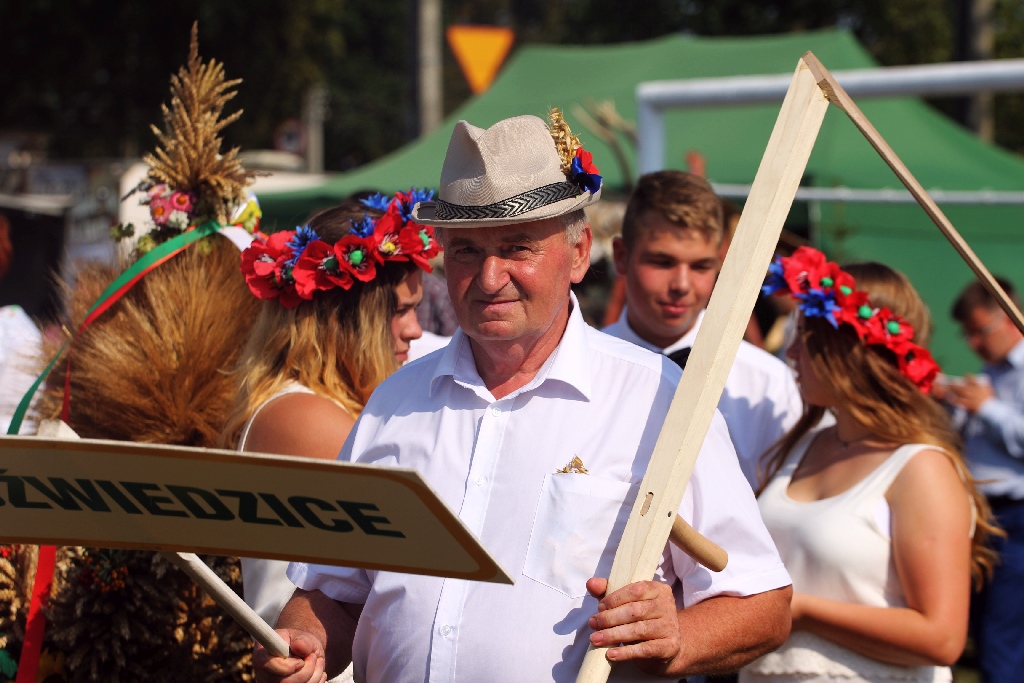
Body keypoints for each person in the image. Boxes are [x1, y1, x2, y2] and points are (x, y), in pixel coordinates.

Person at [252, 111, 792, 683]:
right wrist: (307, 640)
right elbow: (334, 591)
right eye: (465, 251)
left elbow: (762, 602)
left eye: (516, 247)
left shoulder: (658, 399)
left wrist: (680, 637)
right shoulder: (393, 403)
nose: (489, 277)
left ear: (580, 253)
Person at [740, 249, 999, 683]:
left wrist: (800, 610)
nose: (790, 352)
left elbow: (942, 637)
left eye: (805, 335)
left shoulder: (921, 468)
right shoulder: (802, 446)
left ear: (849, 347)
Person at [220, 192, 441, 647]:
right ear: (341, 319)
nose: (415, 329)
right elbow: (416, 552)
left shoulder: (331, 406)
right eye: (399, 310)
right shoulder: (301, 415)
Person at [604, 171, 802, 487]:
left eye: (700, 266)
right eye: (662, 262)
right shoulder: (577, 370)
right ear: (621, 257)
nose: (682, 285)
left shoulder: (766, 385)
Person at [944, 277, 1024, 683]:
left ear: (1009, 319)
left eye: (980, 331)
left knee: (1001, 634)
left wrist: (987, 408)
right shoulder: (992, 372)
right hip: (988, 516)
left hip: (1016, 518)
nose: (973, 342)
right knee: (983, 626)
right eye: (968, 333)